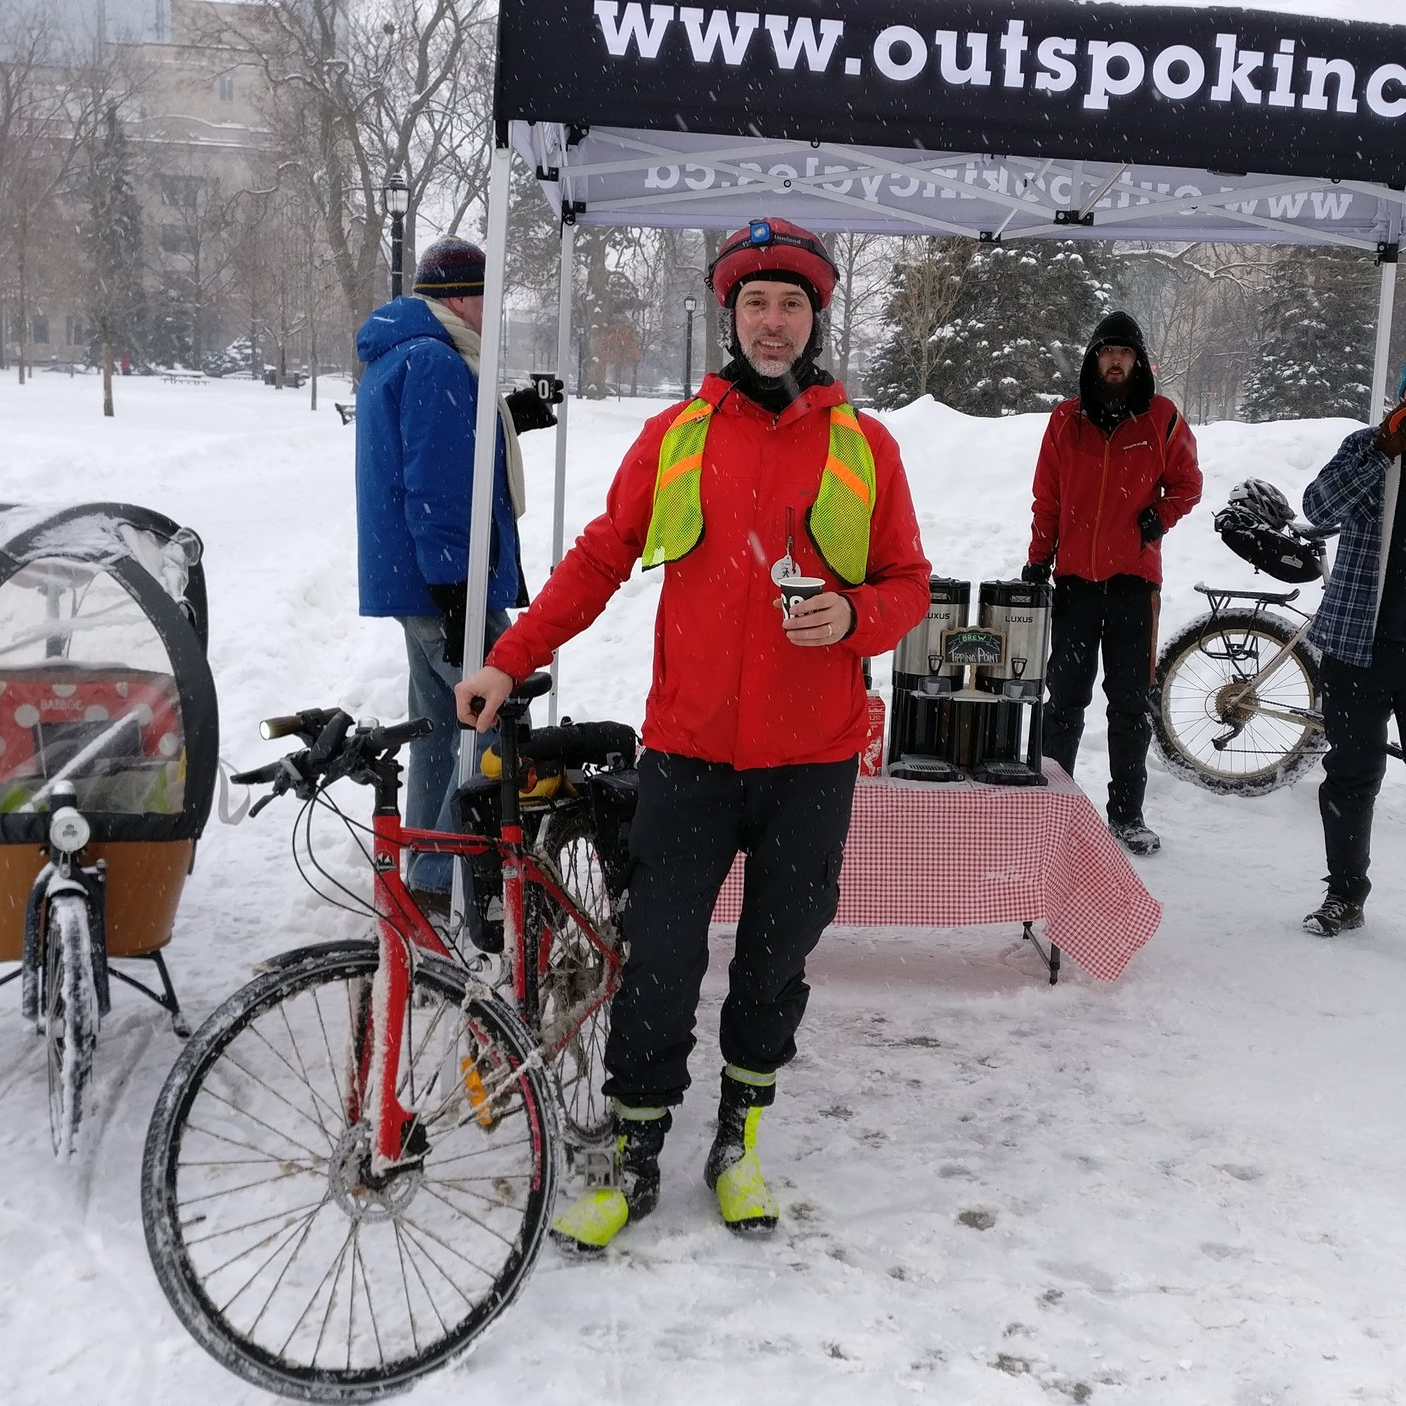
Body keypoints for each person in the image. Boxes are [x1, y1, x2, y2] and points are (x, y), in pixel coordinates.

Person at [456, 217, 932, 1250]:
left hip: (810, 759)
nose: (771, 322)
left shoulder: (861, 445)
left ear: (814, 320)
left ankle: (738, 1139)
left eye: (790, 305)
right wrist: (509, 654)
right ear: (729, 314)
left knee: (772, 960)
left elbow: (906, 583)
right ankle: (633, 1151)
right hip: (689, 752)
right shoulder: (678, 435)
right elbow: (597, 557)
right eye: (755, 303)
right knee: (660, 955)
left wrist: (854, 616)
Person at [354, 235, 557, 916]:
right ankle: (442, 878)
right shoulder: (436, 362)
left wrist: (512, 416)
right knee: (498, 708)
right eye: (488, 300)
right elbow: (437, 485)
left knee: (444, 726)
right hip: (442, 578)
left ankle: (428, 875)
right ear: (465, 299)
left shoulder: (408, 354)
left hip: (413, 577)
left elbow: (451, 446)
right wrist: (457, 591)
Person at [1022, 310, 1202, 855]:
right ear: (1093, 360)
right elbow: (1047, 498)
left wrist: (1160, 517)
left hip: (1133, 588)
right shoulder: (1065, 420)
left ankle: (1126, 815)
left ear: (1139, 360)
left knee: (1129, 705)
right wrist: (1037, 560)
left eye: (1123, 352)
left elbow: (1188, 484)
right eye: (1106, 351)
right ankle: (1056, 809)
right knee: (1064, 703)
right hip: (1075, 585)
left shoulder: (1163, 419)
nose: (1114, 360)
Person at [1297, 365, 1406, 936]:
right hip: (1359, 643)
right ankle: (1344, 894)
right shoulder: (1366, 447)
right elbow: (1317, 509)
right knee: (1350, 773)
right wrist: (1382, 453)